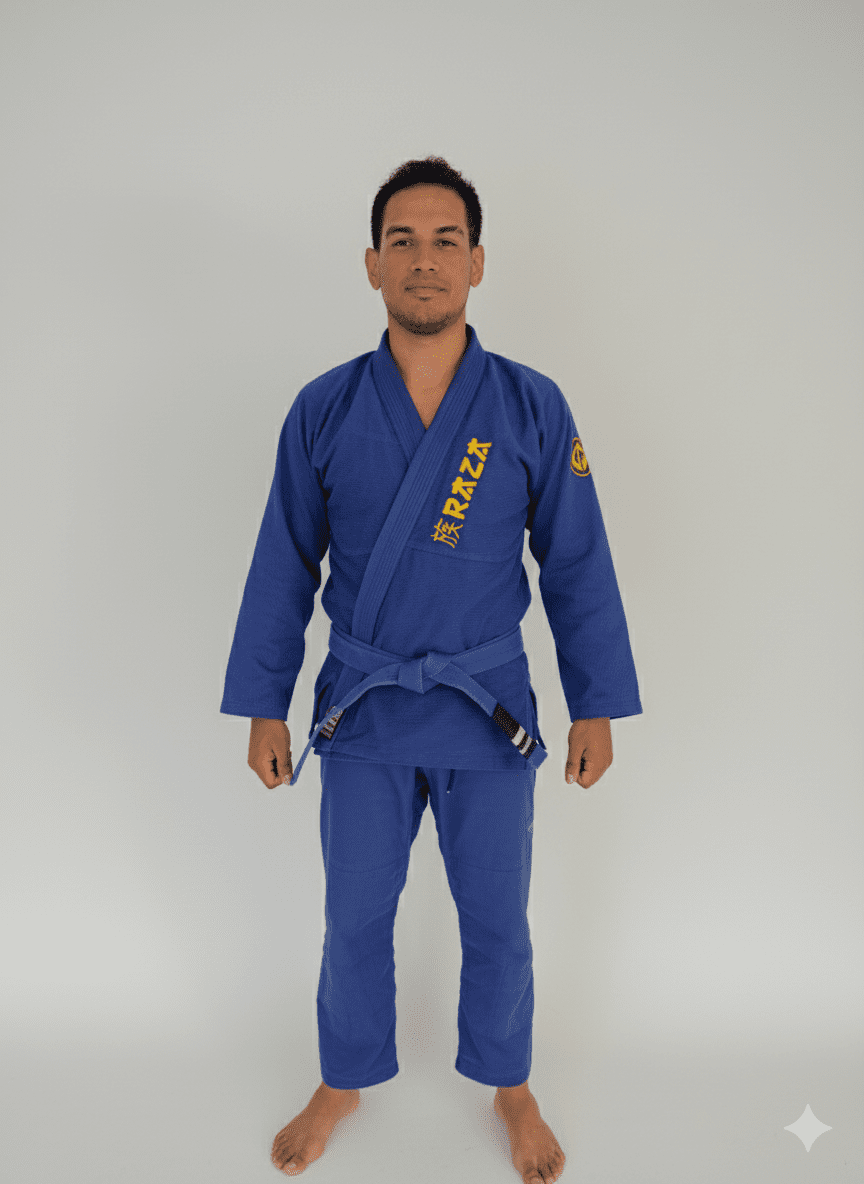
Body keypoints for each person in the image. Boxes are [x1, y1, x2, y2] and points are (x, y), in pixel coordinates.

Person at [220, 156, 642, 1183]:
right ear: (371, 264)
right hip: (362, 713)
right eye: (401, 241)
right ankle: (344, 1077)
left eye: (445, 240)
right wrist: (264, 703)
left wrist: (596, 703)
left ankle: (510, 1083)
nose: (424, 259)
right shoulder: (324, 408)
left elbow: (576, 561)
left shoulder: (531, 405)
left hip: (487, 712)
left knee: (497, 919)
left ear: (477, 262)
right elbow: (284, 562)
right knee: (354, 917)